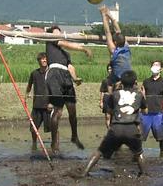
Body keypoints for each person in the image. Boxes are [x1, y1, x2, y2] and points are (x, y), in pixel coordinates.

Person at [83, 70, 147, 177]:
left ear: (121, 82)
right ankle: (143, 174)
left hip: (116, 128)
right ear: (135, 82)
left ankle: (85, 172)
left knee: (99, 151)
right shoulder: (139, 95)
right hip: (131, 128)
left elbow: (110, 110)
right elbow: (145, 111)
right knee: (139, 153)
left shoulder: (115, 94)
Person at [45, 25, 92, 154]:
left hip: (66, 76)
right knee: (58, 111)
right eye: (56, 32)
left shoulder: (65, 54)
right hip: (54, 74)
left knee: (72, 111)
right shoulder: (50, 40)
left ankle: (74, 136)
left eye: (59, 32)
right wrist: (83, 48)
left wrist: (75, 78)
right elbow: (65, 43)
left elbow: (70, 67)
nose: (58, 34)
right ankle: (54, 142)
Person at [141, 60, 163, 157]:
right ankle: (138, 154)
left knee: (160, 133)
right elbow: (142, 94)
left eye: (157, 65)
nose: (155, 66)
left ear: (161, 69)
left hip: (158, 112)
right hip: (146, 112)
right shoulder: (146, 81)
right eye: (153, 65)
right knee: (141, 134)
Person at [100, 5, 132, 89]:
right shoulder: (126, 47)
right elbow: (118, 31)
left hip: (118, 79)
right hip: (129, 77)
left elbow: (107, 32)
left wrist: (103, 15)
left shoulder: (114, 50)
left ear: (115, 42)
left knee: (109, 83)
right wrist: (109, 15)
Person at [26, 52, 50, 151]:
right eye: (42, 59)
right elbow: (29, 85)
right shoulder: (34, 73)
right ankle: (34, 144)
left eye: (46, 59)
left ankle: (55, 146)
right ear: (39, 61)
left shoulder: (52, 73)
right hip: (37, 105)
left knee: (53, 128)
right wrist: (27, 94)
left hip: (49, 106)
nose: (44, 60)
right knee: (33, 128)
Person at [99, 63, 113, 128]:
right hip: (107, 98)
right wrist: (101, 102)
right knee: (107, 116)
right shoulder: (105, 80)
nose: (110, 70)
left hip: (114, 98)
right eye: (109, 69)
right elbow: (102, 92)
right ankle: (109, 130)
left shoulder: (117, 81)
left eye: (111, 69)